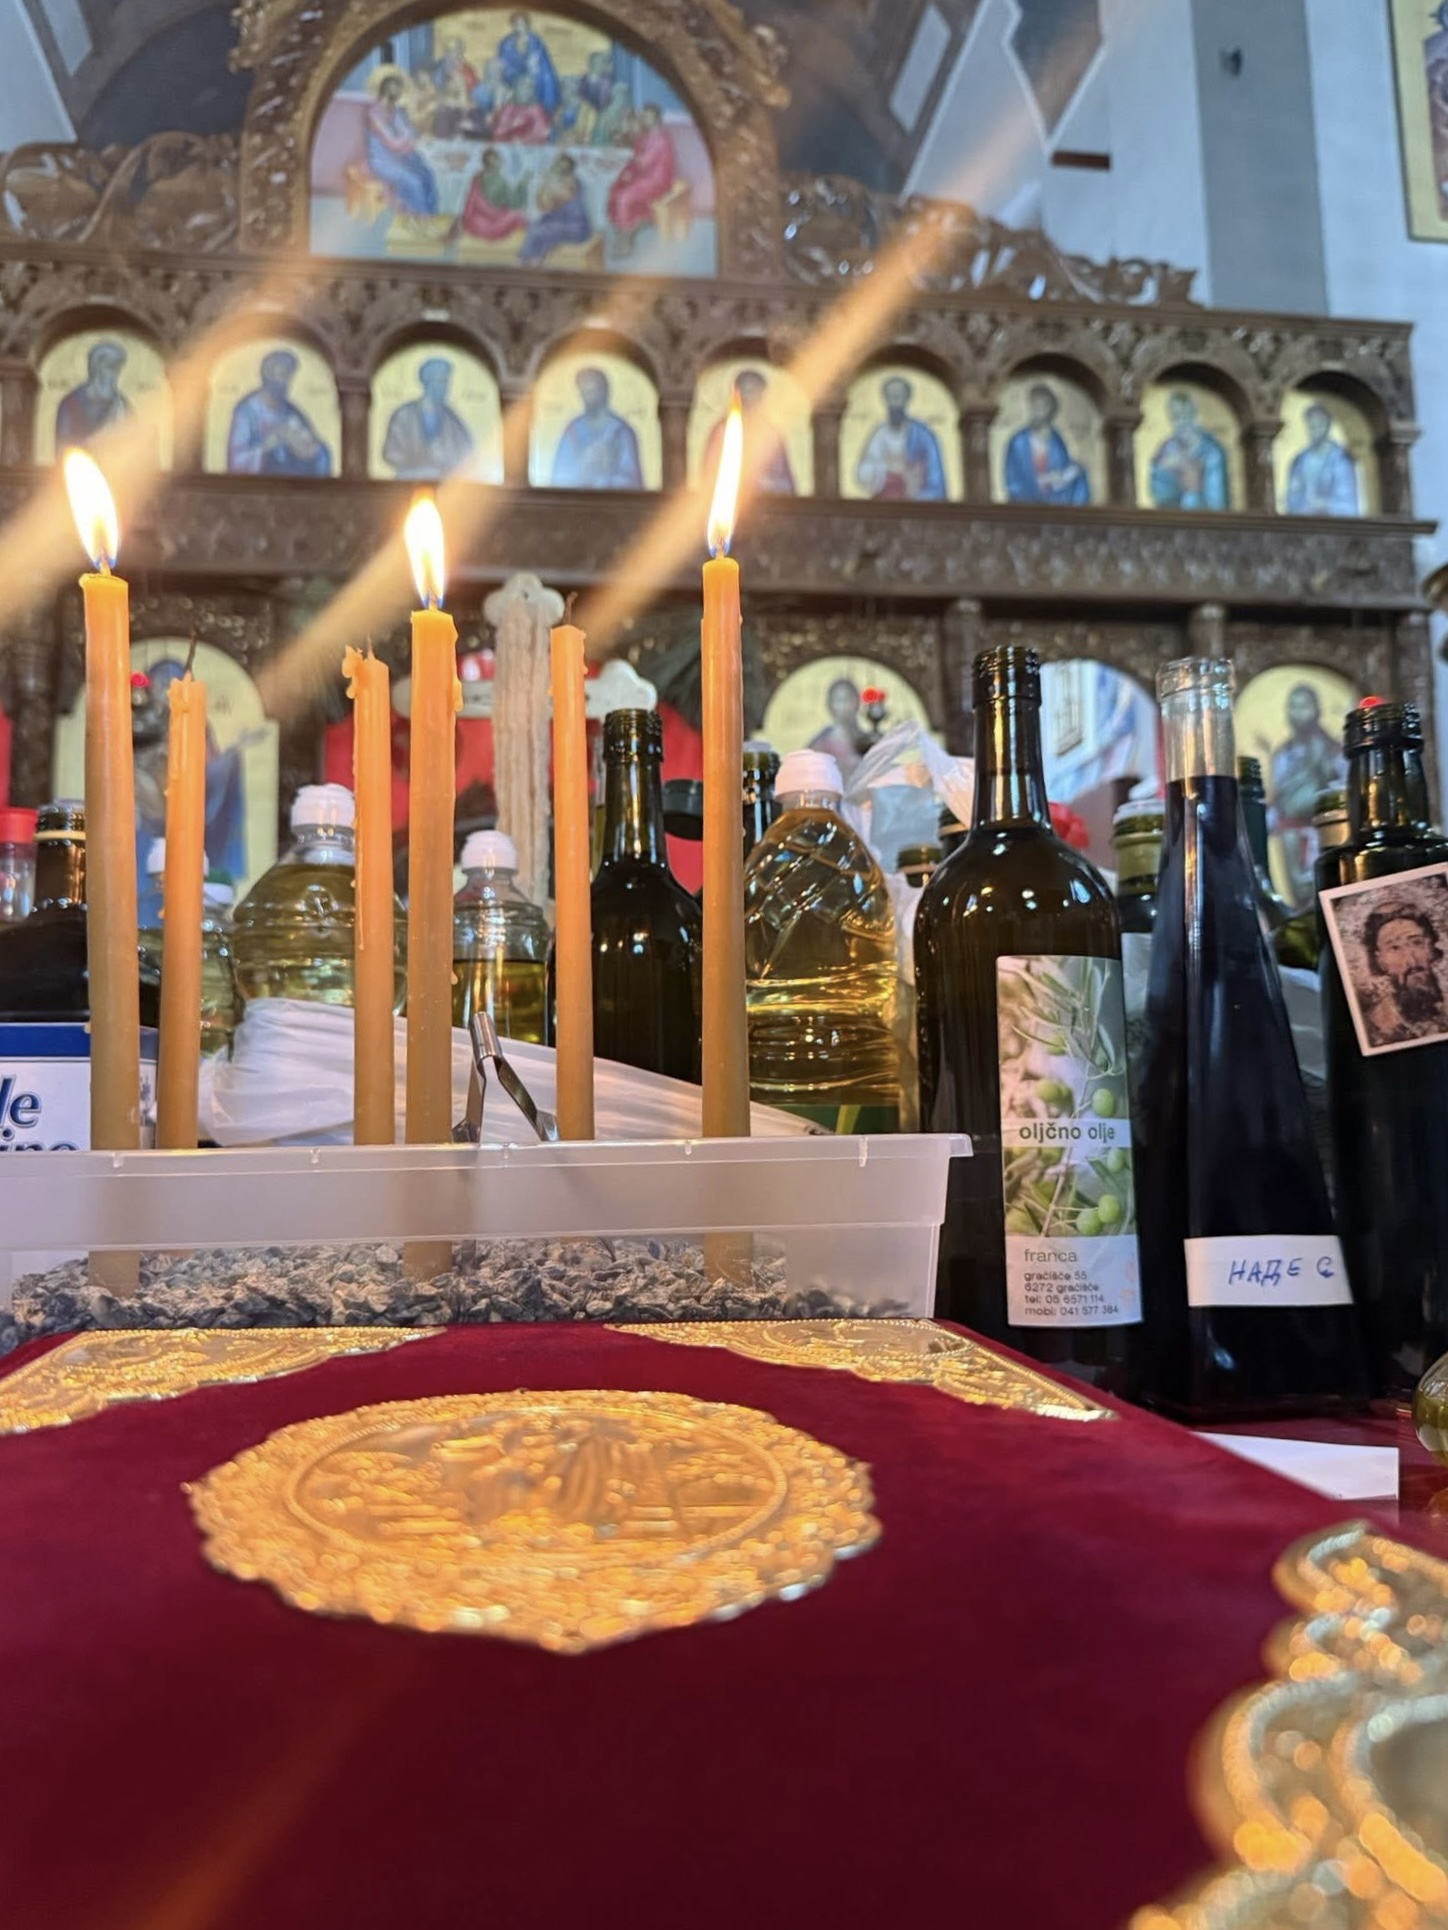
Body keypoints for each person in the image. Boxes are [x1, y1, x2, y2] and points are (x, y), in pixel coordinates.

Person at [1269, 681, 1345, 904]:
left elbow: (1343, 790)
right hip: (1291, 836)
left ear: (1317, 710)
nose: (1298, 713)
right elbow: (1279, 800)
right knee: (1300, 901)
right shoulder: (1282, 755)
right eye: (1293, 706)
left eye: (1304, 706)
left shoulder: (1333, 750)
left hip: (1325, 835)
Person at [226, 349, 333, 477]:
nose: (286, 383)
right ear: (268, 375)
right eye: (282, 375)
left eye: (289, 377)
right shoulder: (247, 412)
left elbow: (317, 449)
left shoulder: (292, 411)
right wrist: (269, 445)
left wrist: (313, 450)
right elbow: (236, 462)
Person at [1357, 904, 1447, 1048]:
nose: (1411, 960)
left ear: (1431, 948)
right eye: (1395, 948)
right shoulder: (1374, 1027)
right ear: (1380, 961)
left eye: (1416, 942)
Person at [381, 358, 476, 481]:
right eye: (439, 381)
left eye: (446, 381)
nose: (445, 387)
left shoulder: (452, 420)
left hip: (444, 484)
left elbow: (467, 454)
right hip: (408, 482)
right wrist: (420, 458)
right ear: (427, 382)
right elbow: (390, 453)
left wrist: (445, 458)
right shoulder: (404, 415)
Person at [704, 369, 795, 494]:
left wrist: (766, 482)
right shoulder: (723, 431)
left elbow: (786, 481)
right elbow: (711, 476)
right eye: (749, 392)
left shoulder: (771, 432)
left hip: (768, 499)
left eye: (758, 393)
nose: (754, 399)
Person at [855, 375, 946, 500]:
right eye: (891, 397)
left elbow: (935, 477)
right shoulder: (880, 434)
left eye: (899, 396)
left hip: (917, 501)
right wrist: (887, 472)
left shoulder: (923, 435)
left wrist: (914, 478)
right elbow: (864, 471)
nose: (895, 403)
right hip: (886, 500)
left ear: (907, 399)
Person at [549, 367, 643, 488]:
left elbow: (633, 481)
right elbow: (559, 478)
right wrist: (584, 466)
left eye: (592, 391)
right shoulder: (573, 431)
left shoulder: (621, 431)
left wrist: (608, 469)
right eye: (584, 393)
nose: (588, 397)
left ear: (604, 392)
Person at [365, 71, 439, 218]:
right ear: (387, 92)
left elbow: (409, 131)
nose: (400, 96)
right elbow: (393, 143)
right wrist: (409, 139)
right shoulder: (374, 115)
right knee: (414, 182)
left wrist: (410, 137)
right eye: (398, 92)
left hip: (400, 156)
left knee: (427, 174)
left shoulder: (395, 110)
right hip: (383, 161)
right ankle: (422, 217)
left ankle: (431, 214)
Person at [1003, 383, 1090, 505]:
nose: (1038, 412)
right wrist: (1042, 482)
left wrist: (1071, 471)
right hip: (1026, 504)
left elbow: (1063, 467)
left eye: (1042, 407)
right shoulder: (1018, 441)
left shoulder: (1056, 440)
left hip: (1055, 502)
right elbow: (1014, 481)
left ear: (1050, 410)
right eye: (1035, 406)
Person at [606, 104, 677, 251]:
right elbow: (635, 157)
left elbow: (644, 163)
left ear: (656, 118)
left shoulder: (661, 139)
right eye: (643, 116)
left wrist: (632, 160)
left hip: (656, 181)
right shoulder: (646, 136)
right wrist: (626, 173)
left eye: (647, 116)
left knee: (624, 198)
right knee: (615, 190)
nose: (643, 119)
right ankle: (626, 229)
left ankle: (626, 241)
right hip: (642, 177)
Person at [1149, 390, 1230, 509]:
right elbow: (1159, 492)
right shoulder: (1166, 450)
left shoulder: (1212, 452)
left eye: (1186, 415)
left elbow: (1217, 503)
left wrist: (1193, 486)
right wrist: (1168, 472)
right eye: (1176, 417)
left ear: (1195, 416)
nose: (1182, 422)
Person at [55, 339, 132, 449]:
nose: (114, 375)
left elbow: (133, 445)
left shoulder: (123, 406)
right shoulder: (70, 405)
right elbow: (63, 446)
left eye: (117, 369)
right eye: (109, 367)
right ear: (96, 368)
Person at [1285, 403, 1360, 516]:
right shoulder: (1300, 461)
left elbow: (1349, 506)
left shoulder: (1341, 459)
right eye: (1311, 427)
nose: (1314, 432)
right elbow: (1291, 503)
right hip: (1304, 523)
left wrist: (1324, 505)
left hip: (1335, 524)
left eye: (1319, 426)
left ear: (1328, 426)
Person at [520, 153, 591, 261]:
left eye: (565, 168)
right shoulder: (556, 181)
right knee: (537, 228)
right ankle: (532, 260)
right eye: (559, 167)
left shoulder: (571, 182)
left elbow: (558, 198)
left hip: (575, 227)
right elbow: (544, 206)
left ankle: (529, 260)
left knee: (538, 232)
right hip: (560, 222)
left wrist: (547, 181)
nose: (561, 170)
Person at [497, 10, 560, 118]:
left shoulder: (535, 41)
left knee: (547, 78)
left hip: (534, 75)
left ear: (527, 25)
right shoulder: (506, 43)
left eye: (521, 24)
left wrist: (533, 69)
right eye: (516, 24)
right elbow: (503, 63)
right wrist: (513, 74)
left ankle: (546, 111)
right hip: (512, 77)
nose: (518, 27)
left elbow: (543, 62)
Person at [457, 147, 528, 241]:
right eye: (498, 160)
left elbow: (469, 204)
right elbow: (516, 203)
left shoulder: (477, 178)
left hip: (474, 223)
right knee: (518, 216)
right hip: (490, 225)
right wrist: (523, 185)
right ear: (497, 162)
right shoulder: (500, 181)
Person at [808, 678, 872, 776]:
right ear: (830, 704)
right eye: (839, 700)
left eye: (848, 700)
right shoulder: (820, 744)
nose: (843, 706)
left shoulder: (866, 741)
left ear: (857, 703)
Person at [492, 72, 553, 145]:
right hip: (509, 147)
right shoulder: (509, 109)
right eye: (522, 87)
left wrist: (524, 140)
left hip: (532, 148)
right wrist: (511, 139)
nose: (525, 92)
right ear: (516, 89)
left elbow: (541, 133)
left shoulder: (537, 110)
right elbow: (499, 132)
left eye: (529, 88)